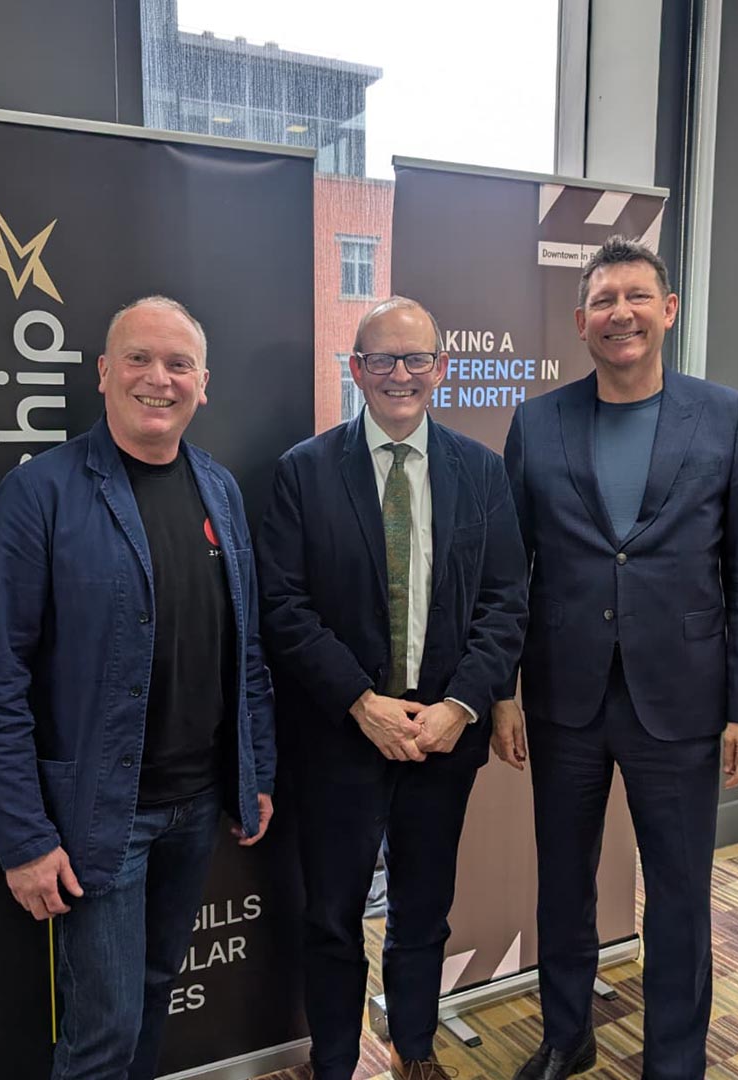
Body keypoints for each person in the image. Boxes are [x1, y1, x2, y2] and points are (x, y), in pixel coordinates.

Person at [0, 296, 276, 1080]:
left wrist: (257, 770)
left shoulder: (220, 489)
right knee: (102, 1032)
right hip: (101, 817)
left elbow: (247, 650)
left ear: (203, 384)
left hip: (199, 804)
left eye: (178, 364)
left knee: (155, 991)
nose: (158, 379)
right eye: (139, 358)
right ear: (104, 372)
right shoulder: (39, 495)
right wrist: (24, 839)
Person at [493, 236, 738, 1080]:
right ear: (581, 321)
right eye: (604, 301)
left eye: (637, 296)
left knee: (680, 893)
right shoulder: (537, 422)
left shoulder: (726, 416)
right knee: (563, 883)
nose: (621, 313)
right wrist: (502, 691)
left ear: (668, 310)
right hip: (564, 698)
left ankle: (674, 1060)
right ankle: (567, 1036)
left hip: (682, 699)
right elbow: (510, 573)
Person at [258, 296, 527, 1080]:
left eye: (416, 359)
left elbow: (506, 601)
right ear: (357, 369)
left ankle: (414, 1050)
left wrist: (461, 707)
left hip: (443, 737)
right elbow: (283, 605)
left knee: (424, 912)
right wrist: (359, 701)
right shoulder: (304, 471)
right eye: (382, 358)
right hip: (339, 736)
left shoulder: (481, 471)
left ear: (440, 368)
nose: (400, 374)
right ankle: (335, 1062)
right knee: (331, 916)